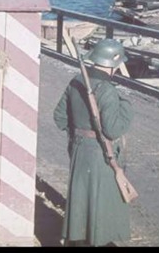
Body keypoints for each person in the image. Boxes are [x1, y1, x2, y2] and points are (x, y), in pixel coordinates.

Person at [53, 38, 134, 247]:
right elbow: (113, 129)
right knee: (101, 203)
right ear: (113, 64)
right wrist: (126, 106)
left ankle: (79, 240)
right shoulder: (107, 90)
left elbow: (60, 118)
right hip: (101, 154)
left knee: (80, 203)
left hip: (79, 150)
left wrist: (79, 133)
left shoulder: (76, 81)